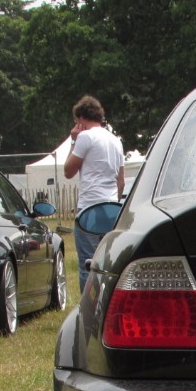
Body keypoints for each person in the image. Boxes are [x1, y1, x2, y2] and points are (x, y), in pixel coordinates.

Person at [64, 95, 125, 291]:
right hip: (111, 210)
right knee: (108, 263)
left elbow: (68, 171)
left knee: (88, 265)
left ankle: (88, 311)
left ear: (81, 119)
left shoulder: (84, 137)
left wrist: (73, 140)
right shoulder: (116, 141)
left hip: (89, 209)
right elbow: (120, 181)